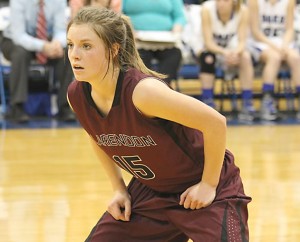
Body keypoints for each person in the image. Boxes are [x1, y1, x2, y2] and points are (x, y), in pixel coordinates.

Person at [67, 7, 251, 241]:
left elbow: (215, 123)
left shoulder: (143, 92)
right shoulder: (76, 96)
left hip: (205, 184)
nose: (74, 54)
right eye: (70, 44)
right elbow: (96, 134)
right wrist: (119, 188)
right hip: (153, 191)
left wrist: (208, 184)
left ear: (113, 50)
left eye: (86, 46)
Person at [0, 0, 75, 122]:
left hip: (47, 39)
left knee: (67, 52)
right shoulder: (18, 1)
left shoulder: (58, 1)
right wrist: (43, 46)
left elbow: (61, 31)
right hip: (14, 40)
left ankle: (65, 106)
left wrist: (57, 44)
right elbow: (19, 36)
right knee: (20, 53)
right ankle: (16, 107)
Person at [199, 0, 256, 122]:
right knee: (207, 58)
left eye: (225, 1)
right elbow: (208, 43)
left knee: (245, 57)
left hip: (232, 50)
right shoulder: (207, 9)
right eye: (218, 0)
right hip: (212, 49)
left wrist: (235, 53)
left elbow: (242, 41)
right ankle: (208, 103)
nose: (221, 4)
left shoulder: (243, 11)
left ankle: (247, 103)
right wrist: (225, 53)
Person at [248, 0, 300, 121]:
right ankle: (267, 102)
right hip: (260, 43)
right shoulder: (254, 2)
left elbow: (289, 29)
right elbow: (255, 32)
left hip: (282, 43)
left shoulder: (289, 2)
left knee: (295, 58)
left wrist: (284, 46)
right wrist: (276, 47)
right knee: (274, 58)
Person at [122, 0, 186, 85]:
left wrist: (177, 27)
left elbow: (180, 16)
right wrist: (129, 29)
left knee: (175, 54)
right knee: (137, 58)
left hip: (167, 40)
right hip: (137, 41)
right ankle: (141, 87)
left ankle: (163, 88)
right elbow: (119, 13)